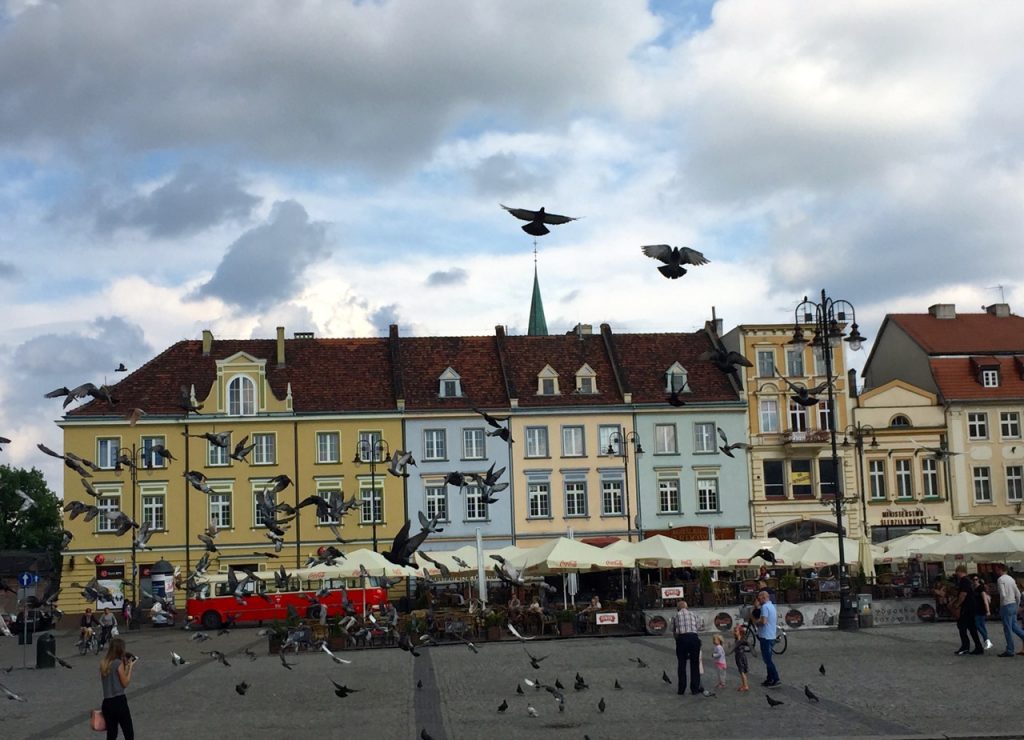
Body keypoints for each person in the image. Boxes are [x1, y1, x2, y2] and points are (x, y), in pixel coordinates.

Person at [99, 637, 136, 740]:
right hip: (119, 701)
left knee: (111, 734)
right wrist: (130, 668)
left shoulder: (104, 663)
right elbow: (125, 683)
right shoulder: (118, 663)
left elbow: (112, 678)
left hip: (107, 702)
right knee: (128, 732)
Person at [671, 600, 704, 695]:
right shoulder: (693, 614)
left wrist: (677, 640)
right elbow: (698, 627)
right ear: (686, 607)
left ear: (678, 608)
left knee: (681, 664)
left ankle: (681, 689)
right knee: (694, 663)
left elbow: (673, 630)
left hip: (682, 639)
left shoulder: (675, 616)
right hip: (693, 638)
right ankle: (695, 688)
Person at [994, 563, 1024, 657]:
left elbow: (1003, 594)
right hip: (1013, 603)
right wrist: (1017, 604)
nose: (995, 571)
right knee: (1014, 626)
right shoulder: (1011, 579)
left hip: (1006, 605)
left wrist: (1002, 603)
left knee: (1007, 628)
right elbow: (1018, 594)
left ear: (1000, 569)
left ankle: (1010, 649)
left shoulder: (1000, 579)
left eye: (996, 569)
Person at [952, 565, 983, 655]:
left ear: (960, 571)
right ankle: (978, 647)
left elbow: (963, 594)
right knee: (972, 628)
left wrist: (957, 604)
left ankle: (965, 646)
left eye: (957, 572)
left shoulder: (963, 581)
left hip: (966, 607)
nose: (956, 574)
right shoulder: (968, 580)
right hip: (971, 607)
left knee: (962, 626)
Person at [755, 590, 780, 687]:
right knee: (768, 658)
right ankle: (769, 678)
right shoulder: (772, 606)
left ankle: (776, 678)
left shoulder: (765, 607)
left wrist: (757, 623)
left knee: (767, 660)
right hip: (771, 635)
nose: (758, 600)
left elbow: (764, 621)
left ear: (763, 597)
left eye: (759, 598)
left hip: (765, 636)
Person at [972, 574, 992, 650]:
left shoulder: (981, 588)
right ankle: (987, 642)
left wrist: (988, 610)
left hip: (980, 609)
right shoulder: (974, 588)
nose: (975, 581)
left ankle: (987, 640)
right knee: (982, 626)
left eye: (976, 579)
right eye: (973, 580)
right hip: (976, 609)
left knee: (977, 625)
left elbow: (985, 599)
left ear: (979, 580)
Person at [731, 624, 750, 692]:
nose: (733, 632)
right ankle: (744, 684)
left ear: (739, 633)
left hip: (740, 657)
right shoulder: (740, 639)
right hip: (741, 656)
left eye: (735, 631)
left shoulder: (739, 639)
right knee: (742, 672)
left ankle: (745, 686)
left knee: (742, 672)